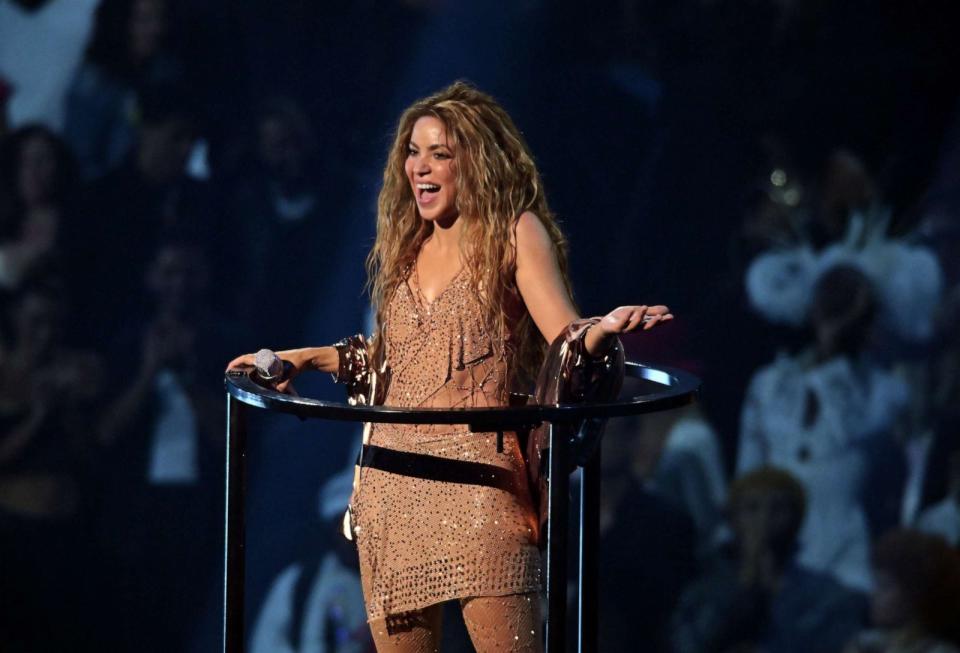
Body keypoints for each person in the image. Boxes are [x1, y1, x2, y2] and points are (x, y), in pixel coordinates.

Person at [228, 81, 672, 652]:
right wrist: (302, 358)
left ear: (476, 161)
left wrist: (600, 333)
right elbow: (395, 359)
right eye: (414, 151)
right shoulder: (406, 245)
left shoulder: (515, 232)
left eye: (440, 152)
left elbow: (565, 334)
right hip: (391, 489)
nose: (421, 166)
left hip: (481, 491)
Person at [671, 467, 865, 653]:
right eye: (752, 508)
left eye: (777, 508)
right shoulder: (701, 591)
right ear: (732, 519)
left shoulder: (825, 594)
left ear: (796, 519)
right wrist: (744, 586)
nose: (764, 519)